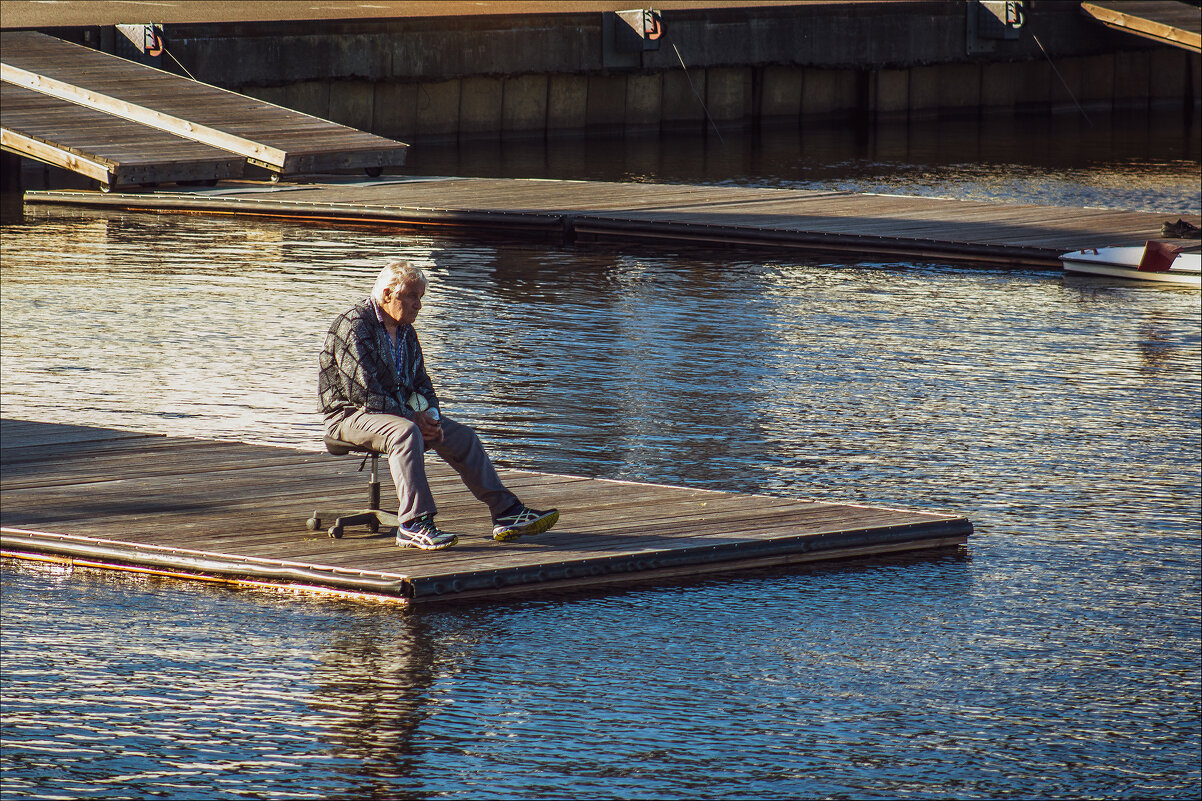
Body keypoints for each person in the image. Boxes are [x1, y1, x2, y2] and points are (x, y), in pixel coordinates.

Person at [319, 259, 559, 550]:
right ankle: (412, 524)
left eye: (421, 297)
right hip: (348, 416)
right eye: (412, 296)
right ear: (387, 295)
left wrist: (431, 416)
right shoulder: (355, 325)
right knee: (405, 432)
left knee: (463, 437)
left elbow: (422, 382)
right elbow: (365, 395)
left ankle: (506, 512)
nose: (418, 305)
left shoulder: (406, 330)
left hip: (399, 414)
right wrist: (414, 419)